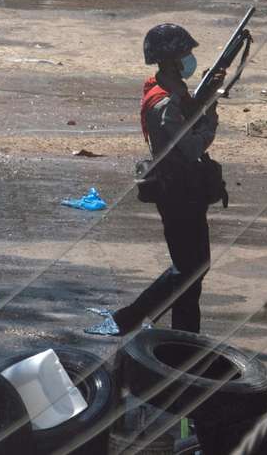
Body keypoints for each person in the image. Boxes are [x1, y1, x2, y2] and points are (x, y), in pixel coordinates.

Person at [85, 23, 224, 336]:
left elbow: (188, 115)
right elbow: (190, 147)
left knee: (194, 268)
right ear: (172, 60)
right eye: (185, 54)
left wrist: (205, 98)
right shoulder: (163, 102)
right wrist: (211, 117)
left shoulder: (173, 90)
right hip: (176, 190)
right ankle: (130, 319)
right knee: (189, 269)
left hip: (187, 187)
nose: (190, 58)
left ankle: (186, 336)